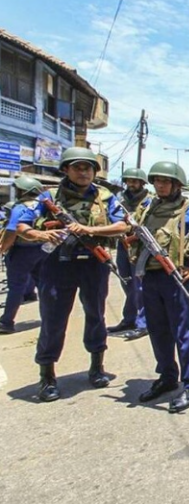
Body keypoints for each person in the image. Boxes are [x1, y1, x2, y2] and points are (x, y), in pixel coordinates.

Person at [16, 147, 129, 402]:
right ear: (66, 169)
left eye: (88, 168)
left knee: (96, 316)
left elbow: (123, 224)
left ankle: (97, 366)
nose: (83, 172)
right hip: (57, 264)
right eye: (77, 167)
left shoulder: (105, 196)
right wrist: (41, 234)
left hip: (94, 263)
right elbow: (21, 225)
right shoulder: (49, 196)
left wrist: (88, 229)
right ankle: (47, 375)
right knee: (53, 320)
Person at [132, 161, 189, 413]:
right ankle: (168, 377)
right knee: (157, 330)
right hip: (150, 278)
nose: (160, 185)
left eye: (165, 181)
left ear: (177, 184)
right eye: (157, 180)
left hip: (175, 277)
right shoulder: (147, 207)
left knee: (183, 333)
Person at [107, 168, 152, 341]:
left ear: (142, 183)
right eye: (129, 181)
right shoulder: (119, 200)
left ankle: (143, 323)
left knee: (139, 287)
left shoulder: (149, 202)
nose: (131, 184)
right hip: (122, 245)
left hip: (140, 247)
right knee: (126, 282)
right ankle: (129, 319)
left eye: (135, 181)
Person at [0, 176, 46, 334]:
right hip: (42, 250)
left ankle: (6, 322)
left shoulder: (20, 207)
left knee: (16, 287)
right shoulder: (44, 206)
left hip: (21, 251)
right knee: (44, 286)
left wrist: (2, 248)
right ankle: (49, 319)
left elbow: (12, 231)